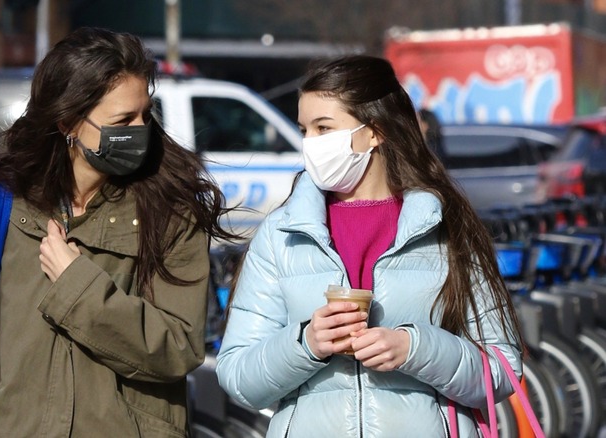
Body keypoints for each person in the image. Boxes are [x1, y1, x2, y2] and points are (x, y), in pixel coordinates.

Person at [0, 27, 237, 437]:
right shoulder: (3, 197)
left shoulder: (170, 208)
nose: (141, 129)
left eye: (146, 114)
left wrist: (79, 287)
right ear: (68, 122)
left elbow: (179, 346)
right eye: (123, 120)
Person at [215, 55, 523, 437]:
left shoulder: (446, 227)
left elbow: (502, 368)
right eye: (304, 129)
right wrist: (306, 343)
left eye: (323, 128)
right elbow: (238, 377)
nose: (309, 143)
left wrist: (417, 349)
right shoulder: (282, 234)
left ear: (374, 131)